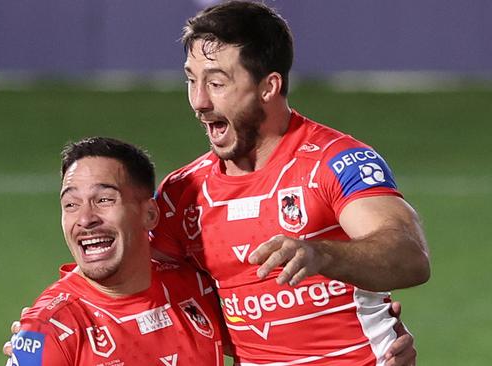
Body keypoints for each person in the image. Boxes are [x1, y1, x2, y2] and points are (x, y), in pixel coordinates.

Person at [151, 1, 430, 365]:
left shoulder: (335, 161)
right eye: (191, 79)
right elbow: (147, 292)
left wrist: (321, 254)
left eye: (217, 82)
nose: (199, 101)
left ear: (269, 86)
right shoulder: (183, 193)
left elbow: (410, 256)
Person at [7, 137, 227, 365]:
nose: (85, 219)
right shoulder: (52, 329)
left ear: (150, 214)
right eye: (71, 204)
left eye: (103, 200)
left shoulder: (194, 287)